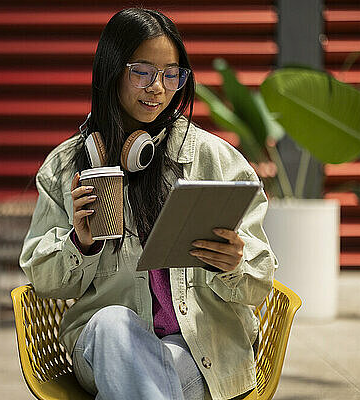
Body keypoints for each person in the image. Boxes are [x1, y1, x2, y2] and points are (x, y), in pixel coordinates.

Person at [20, 8, 277, 400]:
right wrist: (79, 243)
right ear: (112, 71)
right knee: (111, 326)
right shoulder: (65, 166)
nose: (157, 87)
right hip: (105, 347)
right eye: (142, 71)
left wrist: (235, 264)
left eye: (171, 74)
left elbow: (261, 285)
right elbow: (44, 281)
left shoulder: (217, 161)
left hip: (196, 352)